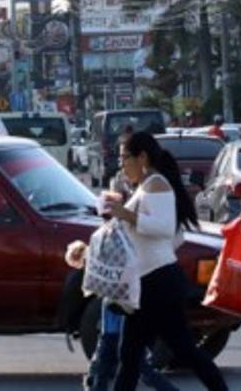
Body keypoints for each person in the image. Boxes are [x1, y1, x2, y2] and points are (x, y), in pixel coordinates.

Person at [104, 132, 228, 391]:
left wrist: (126, 214)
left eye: (125, 158)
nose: (122, 164)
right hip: (147, 281)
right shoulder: (145, 186)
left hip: (160, 283)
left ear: (142, 157)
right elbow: (172, 237)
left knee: (183, 349)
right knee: (129, 354)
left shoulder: (156, 183)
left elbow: (163, 227)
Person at [75, 167, 179, 391]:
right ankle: (96, 384)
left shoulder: (131, 220)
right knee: (122, 353)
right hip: (119, 297)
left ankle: (96, 384)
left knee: (123, 354)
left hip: (124, 298)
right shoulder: (117, 227)